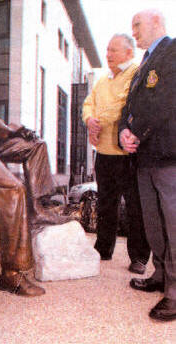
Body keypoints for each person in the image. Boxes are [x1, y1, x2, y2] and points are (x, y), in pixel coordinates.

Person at [0, 17, 71, 297]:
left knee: (35, 145)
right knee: (13, 189)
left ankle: (40, 207)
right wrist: (7, 130)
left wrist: (16, 130)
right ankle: (12, 273)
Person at [119, 9, 176, 321]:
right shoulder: (142, 65)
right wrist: (122, 133)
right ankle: (160, 275)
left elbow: (166, 101)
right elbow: (129, 107)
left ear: (157, 22)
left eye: (137, 25)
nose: (134, 31)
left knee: (174, 226)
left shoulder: (173, 51)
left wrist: (135, 132)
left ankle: (175, 292)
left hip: (169, 156)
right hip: (145, 158)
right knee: (154, 226)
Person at [82, 34, 150, 274]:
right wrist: (89, 119)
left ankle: (140, 257)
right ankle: (103, 248)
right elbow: (89, 103)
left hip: (126, 153)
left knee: (134, 206)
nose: (107, 54)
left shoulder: (135, 74)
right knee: (105, 203)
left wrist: (98, 121)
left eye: (113, 50)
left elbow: (122, 106)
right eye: (107, 50)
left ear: (128, 52)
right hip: (103, 152)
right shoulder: (103, 80)